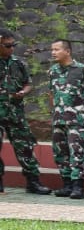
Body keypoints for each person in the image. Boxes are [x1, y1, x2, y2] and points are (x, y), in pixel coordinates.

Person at [0, 28, 51, 195]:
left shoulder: (19, 63)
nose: (12, 48)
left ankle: (33, 182)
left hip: (15, 113)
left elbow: (28, 83)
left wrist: (23, 92)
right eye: (8, 45)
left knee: (25, 146)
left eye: (13, 45)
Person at [47, 39, 84, 199]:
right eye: (52, 50)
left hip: (76, 119)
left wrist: (81, 106)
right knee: (60, 152)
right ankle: (67, 185)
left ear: (67, 51)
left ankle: (78, 186)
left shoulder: (83, 70)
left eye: (57, 49)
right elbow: (51, 93)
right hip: (58, 119)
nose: (53, 52)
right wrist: (57, 109)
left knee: (77, 151)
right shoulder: (53, 71)